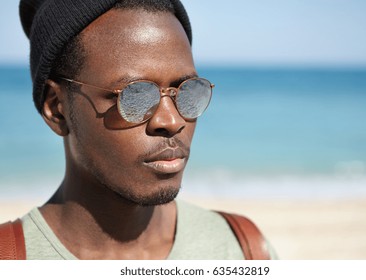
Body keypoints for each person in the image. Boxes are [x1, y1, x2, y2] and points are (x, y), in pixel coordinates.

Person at [0, 0, 276, 260]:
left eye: (187, 90)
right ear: (57, 108)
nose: (171, 121)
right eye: (135, 96)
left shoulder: (240, 249)